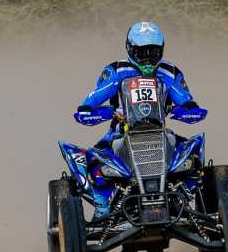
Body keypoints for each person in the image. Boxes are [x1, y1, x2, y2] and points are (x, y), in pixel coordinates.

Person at [72, 21, 202, 215]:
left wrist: (188, 108)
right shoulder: (116, 71)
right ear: (130, 48)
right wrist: (99, 111)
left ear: (162, 50)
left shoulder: (170, 72)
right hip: (119, 133)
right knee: (91, 161)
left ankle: (185, 197)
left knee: (193, 155)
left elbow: (186, 100)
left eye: (154, 52)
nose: (148, 60)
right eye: (143, 53)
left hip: (159, 132)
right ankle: (104, 205)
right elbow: (91, 101)